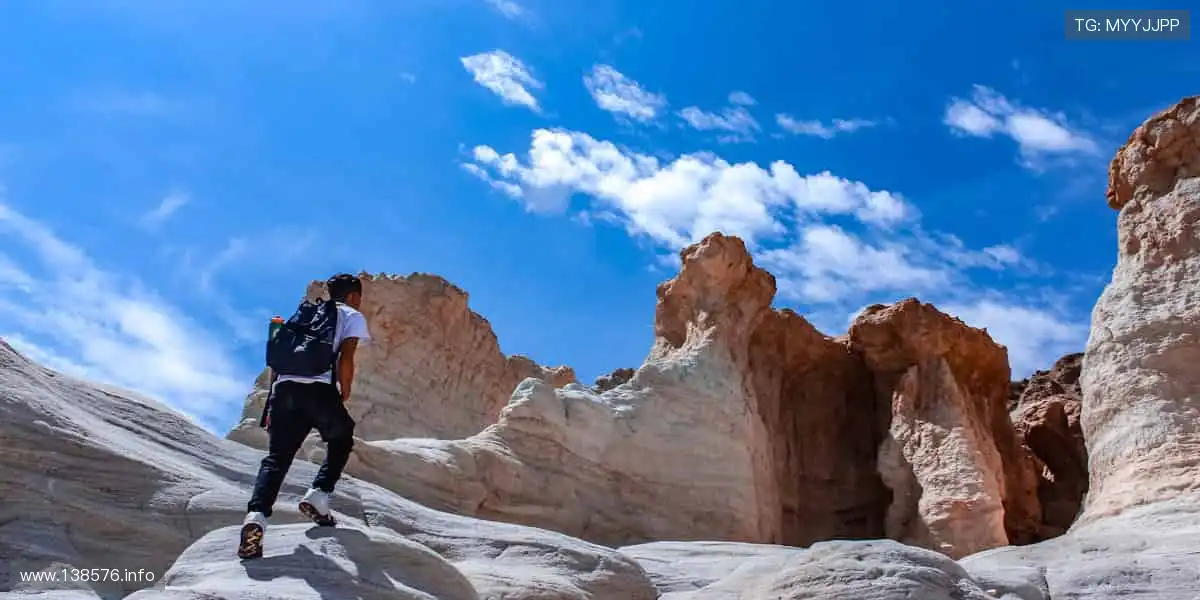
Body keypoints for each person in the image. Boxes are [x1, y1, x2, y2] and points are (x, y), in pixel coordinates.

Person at [237, 273, 371, 559]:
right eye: (359, 298)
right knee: (342, 436)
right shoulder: (350, 315)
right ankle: (319, 495)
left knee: (277, 459)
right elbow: (346, 356)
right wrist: (344, 389)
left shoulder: (308, 314)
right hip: (318, 390)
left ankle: (256, 518)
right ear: (352, 296)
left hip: (283, 390)